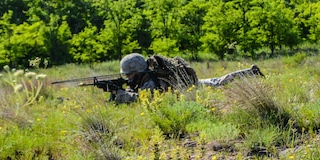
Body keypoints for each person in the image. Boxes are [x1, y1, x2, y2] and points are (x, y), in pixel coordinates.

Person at [112, 53, 264, 103]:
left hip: (191, 89)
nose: (128, 77)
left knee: (220, 82)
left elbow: (142, 99)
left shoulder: (151, 81)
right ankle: (250, 72)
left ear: (137, 71)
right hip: (188, 88)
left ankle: (250, 72)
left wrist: (121, 95)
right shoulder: (146, 77)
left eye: (129, 74)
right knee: (218, 81)